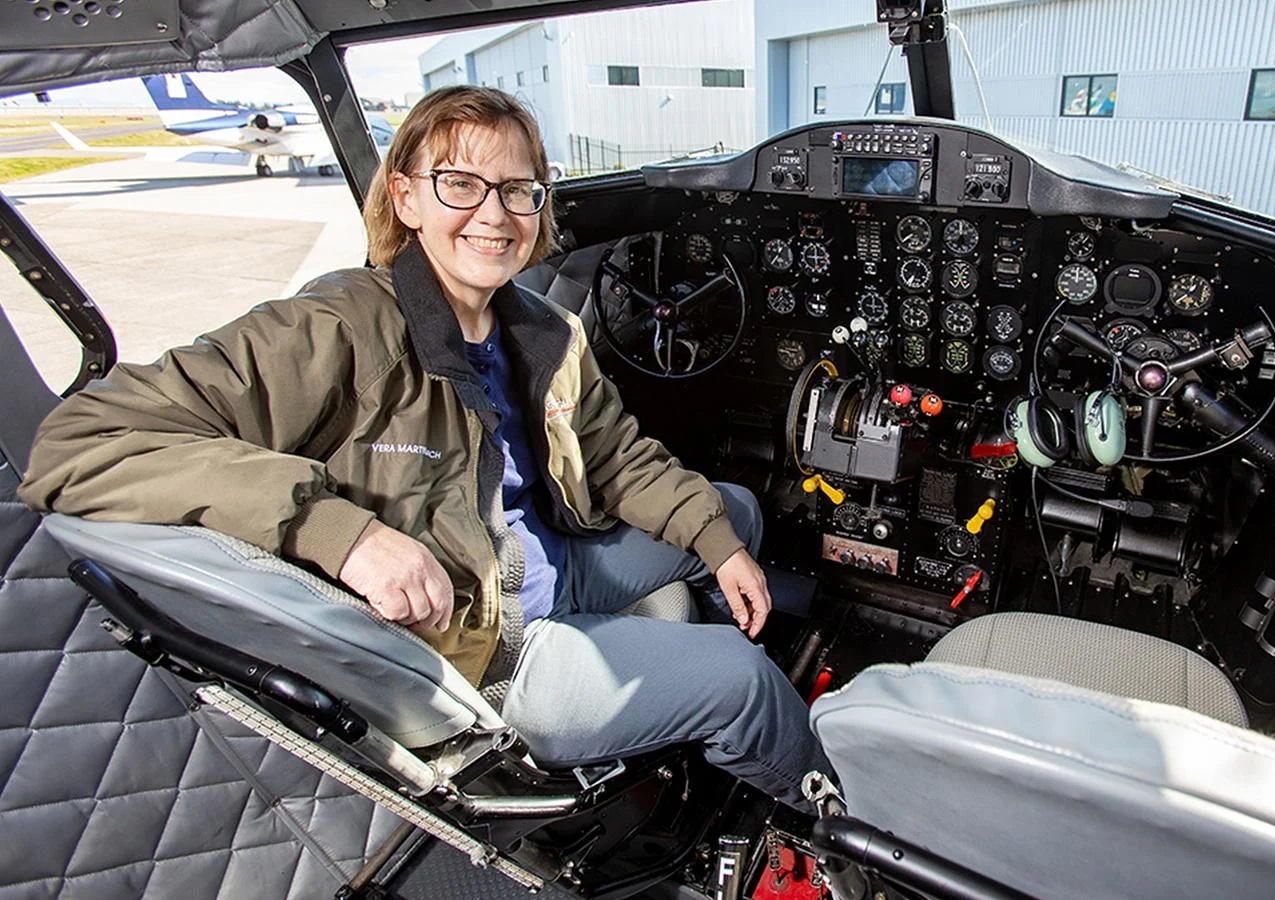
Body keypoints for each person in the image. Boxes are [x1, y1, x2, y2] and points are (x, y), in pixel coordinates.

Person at [19, 85, 829, 810]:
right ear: (404, 197)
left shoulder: (543, 329)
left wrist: (716, 546)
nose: (494, 213)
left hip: (548, 555)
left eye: (517, 190)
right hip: (487, 645)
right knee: (738, 680)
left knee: (734, 513)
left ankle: (704, 672)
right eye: (461, 184)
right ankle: (827, 813)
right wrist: (346, 534)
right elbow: (82, 440)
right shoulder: (336, 328)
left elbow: (614, 457)